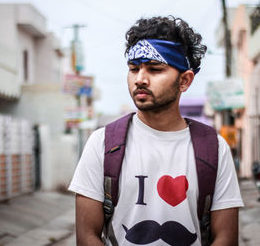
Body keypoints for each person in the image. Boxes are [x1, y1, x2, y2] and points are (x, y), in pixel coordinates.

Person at [69, 16, 243, 246]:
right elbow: (87, 236)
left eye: (154, 69)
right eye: (134, 68)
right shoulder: (102, 143)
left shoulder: (213, 148)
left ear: (184, 81)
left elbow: (226, 238)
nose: (140, 79)